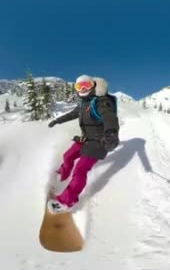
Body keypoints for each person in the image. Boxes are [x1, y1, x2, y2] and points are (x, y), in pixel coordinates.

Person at [47, 75, 120, 213]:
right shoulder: (83, 103)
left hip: (98, 143)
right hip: (85, 140)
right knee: (68, 155)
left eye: (86, 85)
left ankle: (67, 201)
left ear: (93, 86)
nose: (83, 89)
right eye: (79, 86)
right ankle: (62, 175)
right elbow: (71, 114)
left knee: (80, 170)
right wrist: (57, 120)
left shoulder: (100, 102)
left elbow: (109, 116)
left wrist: (110, 132)